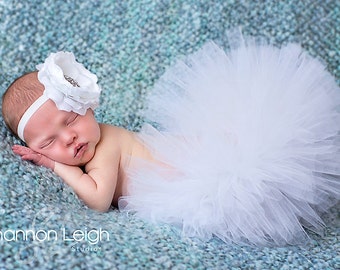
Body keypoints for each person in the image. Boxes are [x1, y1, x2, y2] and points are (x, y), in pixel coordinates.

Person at [2, 32, 340, 246]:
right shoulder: (97, 145)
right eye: (49, 143)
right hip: (187, 160)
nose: (69, 138)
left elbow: (98, 200)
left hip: (195, 176)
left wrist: (55, 165)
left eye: (71, 119)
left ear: (88, 106)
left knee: (252, 172)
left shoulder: (105, 148)